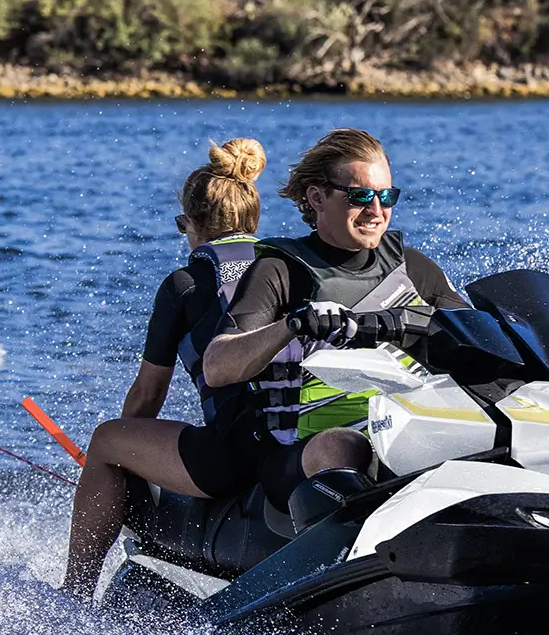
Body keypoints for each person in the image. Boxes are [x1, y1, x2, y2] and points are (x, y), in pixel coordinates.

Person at [197, 126, 468, 492]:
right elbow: (216, 368)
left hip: (403, 434)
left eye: (386, 196)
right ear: (317, 197)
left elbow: (473, 335)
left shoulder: (414, 268)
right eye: (360, 196)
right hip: (303, 449)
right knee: (343, 445)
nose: (376, 211)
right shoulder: (280, 270)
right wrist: (292, 325)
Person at [59, 138, 270, 597]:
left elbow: (148, 394)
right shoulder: (286, 269)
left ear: (195, 225)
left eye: (183, 225)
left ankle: (73, 596)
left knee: (107, 440)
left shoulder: (185, 285)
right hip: (290, 445)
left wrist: (122, 460)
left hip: (234, 460)